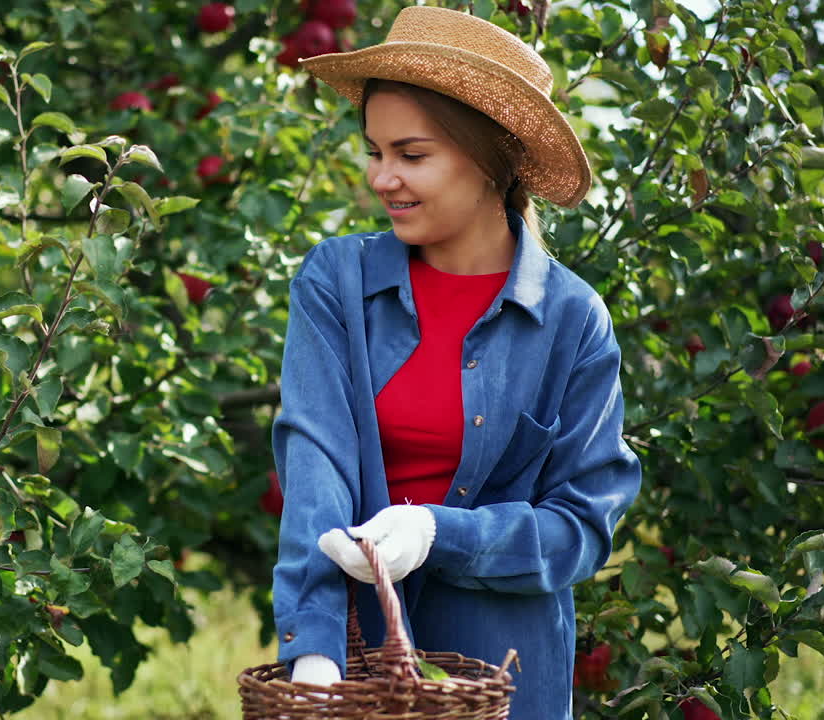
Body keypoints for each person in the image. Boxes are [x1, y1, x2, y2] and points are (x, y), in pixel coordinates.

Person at [269, 6, 642, 719]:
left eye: (411, 156)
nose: (383, 178)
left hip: (505, 677)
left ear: (491, 160)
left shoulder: (570, 321)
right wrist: (311, 649)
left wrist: (440, 533)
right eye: (374, 151)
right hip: (354, 666)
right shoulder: (337, 284)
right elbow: (313, 456)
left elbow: (580, 529)